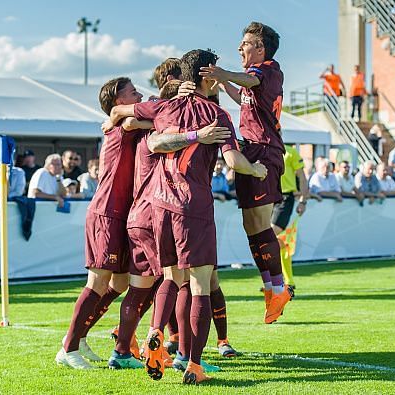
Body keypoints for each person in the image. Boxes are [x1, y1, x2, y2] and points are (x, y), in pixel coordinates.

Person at [108, 49, 267, 384]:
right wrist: (257, 168)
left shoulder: (165, 107)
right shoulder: (216, 114)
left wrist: (114, 120)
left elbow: (126, 115)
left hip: (159, 208)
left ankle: (155, 333)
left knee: (170, 278)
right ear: (207, 76)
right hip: (193, 206)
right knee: (199, 286)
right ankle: (192, 363)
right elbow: (235, 162)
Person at [199, 21, 293, 327]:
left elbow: (248, 81)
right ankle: (271, 288)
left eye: (246, 43)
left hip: (264, 150)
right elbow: (246, 98)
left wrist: (224, 75)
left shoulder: (268, 69)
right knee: (251, 224)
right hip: (253, 148)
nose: (241, 48)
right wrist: (227, 85)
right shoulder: (255, 80)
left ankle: (278, 288)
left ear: (261, 48)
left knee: (260, 223)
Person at [56, 77, 148, 370]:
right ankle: (68, 348)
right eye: (133, 92)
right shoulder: (123, 126)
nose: (140, 94)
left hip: (123, 215)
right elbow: (157, 116)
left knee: (119, 282)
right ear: (120, 103)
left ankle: (79, 334)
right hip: (106, 213)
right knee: (96, 282)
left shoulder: (124, 122)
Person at [271, 144, 309, 290]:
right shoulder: (265, 150)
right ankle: (285, 281)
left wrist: (303, 201)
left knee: (270, 236)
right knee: (278, 242)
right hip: (269, 198)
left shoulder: (291, 152)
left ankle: (278, 281)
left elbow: (302, 178)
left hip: (285, 198)